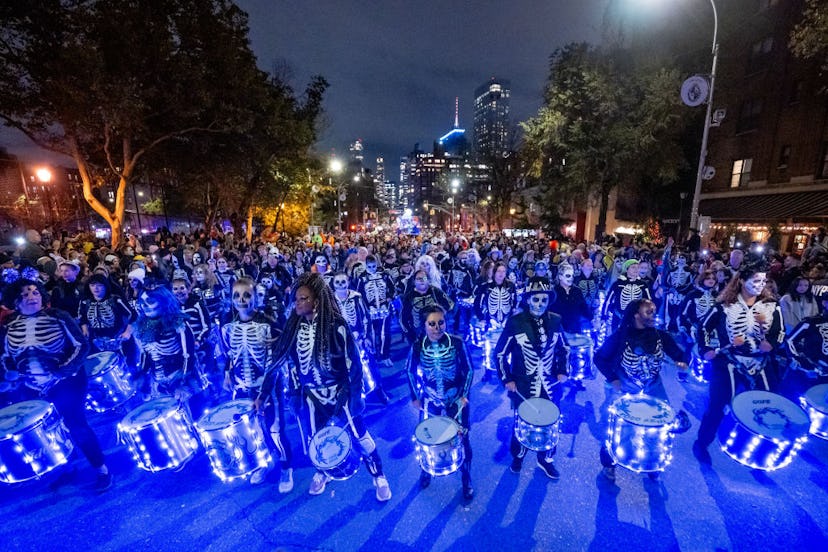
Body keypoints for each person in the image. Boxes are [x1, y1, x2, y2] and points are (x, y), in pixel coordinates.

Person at [257, 273, 392, 502]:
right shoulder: (293, 328)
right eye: (296, 299)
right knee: (314, 441)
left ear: (316, 301)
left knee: (361, 435)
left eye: (303, 299)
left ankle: (379, 476)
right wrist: (263, 394)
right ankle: (322, 472)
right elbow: (278, 361)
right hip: (311, 397)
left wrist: (354, 395)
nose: (297, 303)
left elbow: (354, 364)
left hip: (340, 393)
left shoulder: (336, 325)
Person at [0, 279, 112, 491]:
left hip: (67, 382)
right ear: (15, 301)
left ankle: (101, 469)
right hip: (33, 387)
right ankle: (68, 468)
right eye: (25, 295)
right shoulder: (9, 326)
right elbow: (7, 356)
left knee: (76, 425)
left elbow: (81, 345)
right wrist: (10, 374)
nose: (32, 297)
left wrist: (64, 370)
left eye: (35, 292)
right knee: (50, 430)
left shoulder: (58, 317)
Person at [693, 260, 785, 465]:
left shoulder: (772, 306)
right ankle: (702, 442)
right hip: (729, 361)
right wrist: (706, 349)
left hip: (760, 363)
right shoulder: (724, 305)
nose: (760, 284)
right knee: (718, 405)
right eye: (755, 280)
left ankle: (760, 449)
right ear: (742, 280)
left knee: (768, 405)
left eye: (763, 280)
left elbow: (779, 332)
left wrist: (772, 343)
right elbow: (703, 328)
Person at [595, 298, 690, 481]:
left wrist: (683, 361)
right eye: (649, 312)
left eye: (654, 311)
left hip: (653, 385)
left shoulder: (660, 335)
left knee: (660, 426)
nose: (654, 315)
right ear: (636, 315)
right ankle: (610, 463)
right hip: (626, 385)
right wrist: (613, 378)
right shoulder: (620, 337)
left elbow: (680, 353)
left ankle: (654, 463)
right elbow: (599, 358)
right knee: (619, 426)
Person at [221, 278, 293, 489]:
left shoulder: (268, 323)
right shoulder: (228, 325)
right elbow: (230, 353)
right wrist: (227, 373)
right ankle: (264, 463)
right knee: (253, 430)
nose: (241, 300)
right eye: (236, 296)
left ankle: (286, 467)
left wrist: (263, 395)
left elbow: (274, 363)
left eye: (247, 295)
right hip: (243, 388)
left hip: (268, 389)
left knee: (275, 430)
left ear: (255, 297)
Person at [493, 280, 568, 480]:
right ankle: (518, 456)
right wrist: (506, 378)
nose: (540, 303)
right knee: (521, 422)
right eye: (536, 299)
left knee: (550, 423)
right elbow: (499, 354)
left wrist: (562, 370)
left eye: (544, 299)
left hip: (550, 384)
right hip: (523, 385)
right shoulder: (515, 322)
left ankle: (545, 459)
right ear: (527, 300)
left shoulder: (556, 320)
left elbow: (564, 348)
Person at [406, 305, 474, 501]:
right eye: (432, 324)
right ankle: (426, 470)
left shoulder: (458, 343)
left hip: (455, 398)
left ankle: (466, 478)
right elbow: (409, 371)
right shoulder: (418, 346)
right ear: (425, 326)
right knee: (426, 437)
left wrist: (464, 394)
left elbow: (469, 370)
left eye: (441, 323)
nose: (437, 328)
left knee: (462, 437)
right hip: (430, 398)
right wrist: (415, 397)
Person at [400, 269, 454, 345]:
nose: (422, 280)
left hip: (437, 328)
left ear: (428, 280)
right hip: (419, 331)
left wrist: (443, 317)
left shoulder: (435, 291)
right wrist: (410, 335)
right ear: (414, 281)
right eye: (419, 279)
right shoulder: (409, 296)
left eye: (424, 278)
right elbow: (403, 318)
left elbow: (450, 305)